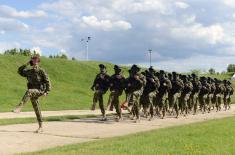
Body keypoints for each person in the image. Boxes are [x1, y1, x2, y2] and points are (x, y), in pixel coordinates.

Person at [13, 56, 51, 133]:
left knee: (29, 91)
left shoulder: (41, 70)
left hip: (40, 90)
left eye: (35, 60)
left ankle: (19, 107)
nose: (34, 61)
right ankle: (41, 127)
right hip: (33, 93)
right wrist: (27, 63)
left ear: (38, 61)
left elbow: (48, 81)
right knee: (36, 108)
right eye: (33, 59)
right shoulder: (29, 71)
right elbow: (20, 71)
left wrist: (47, 91)